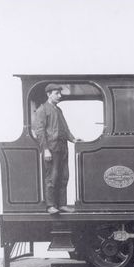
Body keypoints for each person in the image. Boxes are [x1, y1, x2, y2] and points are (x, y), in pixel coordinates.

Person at [35, 84, 81, 214]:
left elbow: (65, 129)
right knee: (52, 177)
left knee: (64, 176)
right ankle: (50, 206)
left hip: (62, 147)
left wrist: (73, 139)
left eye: (60, 93)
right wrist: (46, 149)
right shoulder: (42, 110)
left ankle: (62, 204)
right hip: (52, 147)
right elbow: (40, 131)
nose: (60, 96)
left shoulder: (58, 110)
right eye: (57, 93)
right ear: (49, 94)